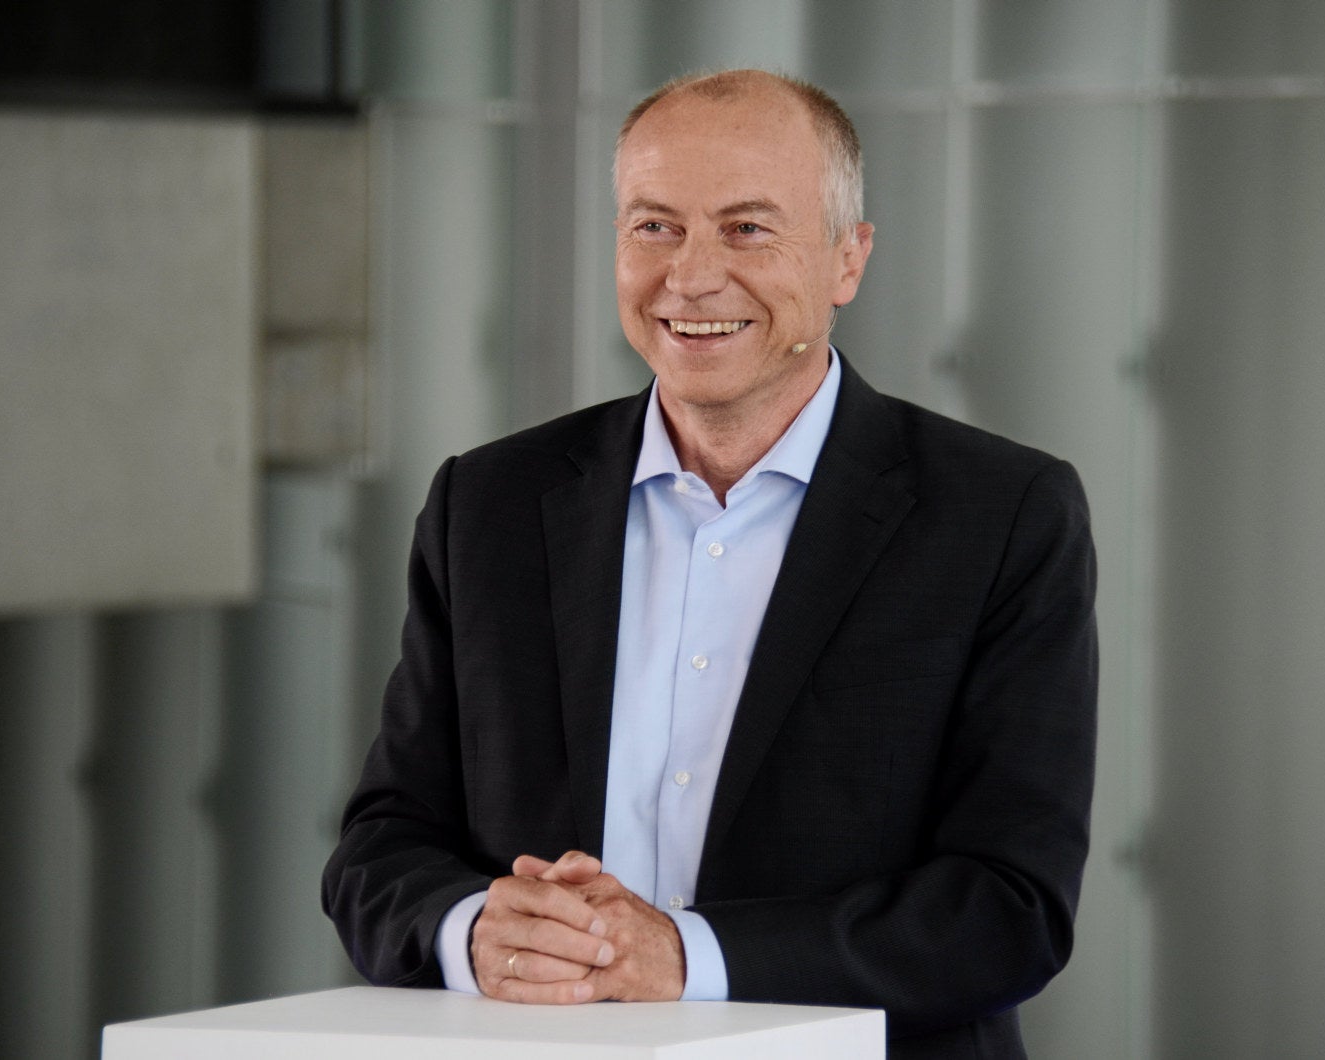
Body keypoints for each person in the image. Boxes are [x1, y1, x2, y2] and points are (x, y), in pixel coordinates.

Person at [323, 68, 1097, 1058]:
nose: (689, 277)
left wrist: (684, 958)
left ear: (847, 259)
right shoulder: (490, 503)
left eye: (747, 229)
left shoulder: (999, 515)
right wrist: (475, 931)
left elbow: (1008, 908)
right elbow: (382, 846)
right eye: (655, 226)